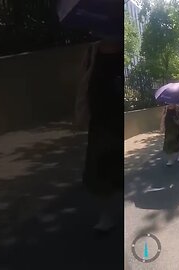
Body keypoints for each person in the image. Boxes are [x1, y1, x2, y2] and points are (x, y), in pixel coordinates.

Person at [80, 38, 122, 233]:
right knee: (100, 169)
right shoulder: (93, 50)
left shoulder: (122, 46)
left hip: (118, 119)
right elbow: (85, 81)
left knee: (117, 168)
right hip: (100, 120)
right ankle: (105, 217)